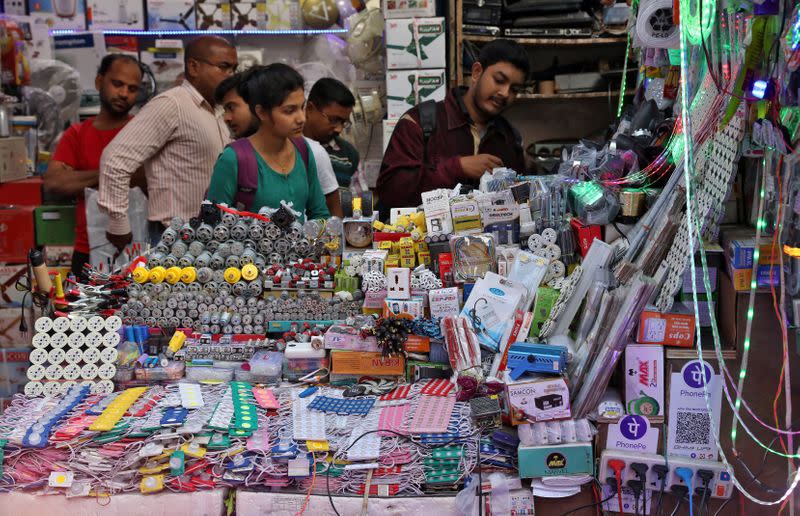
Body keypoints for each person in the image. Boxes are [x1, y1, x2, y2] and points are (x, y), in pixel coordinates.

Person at [99, 35, 237, 248]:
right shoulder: (171, 104)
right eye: (224, 67)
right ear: (193, 67)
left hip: (213, 239)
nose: (230, 76)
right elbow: (115, 159)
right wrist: (118, 223)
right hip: (174, 238)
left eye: (233, 69)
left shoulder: (220, 111)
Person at [376, 39, 529, 210]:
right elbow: (391, 192)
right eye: (499, 80)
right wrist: (456, 168)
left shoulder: (509, 139)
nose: (505, 93)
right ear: (477, 72)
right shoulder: (420, 121)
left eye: (515, 89)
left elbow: (520, 204)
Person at [43, 54, 144, 279]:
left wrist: (81, 179)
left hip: (138, 247)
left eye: (133, 88)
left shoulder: (144, 132)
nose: (124, 93)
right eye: (117, 84)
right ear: (99, 82)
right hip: (87, 248)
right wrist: (115, 173)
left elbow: (146, 179)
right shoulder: (76, 135)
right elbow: (55, 182)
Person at [206, 64, 329, 221]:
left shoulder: (302, 150)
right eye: (289, 111)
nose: (301, 118)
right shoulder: (234, 159)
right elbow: (213, 225)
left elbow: (319, 213)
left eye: (302, 107)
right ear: (261, 112)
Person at [304, 78, 359, 189]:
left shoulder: (349, 155)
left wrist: (354, 204)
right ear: (310, 109)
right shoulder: (287, 149)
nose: (339, 129)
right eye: (334, 120)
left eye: (344, 122)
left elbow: (358, 200)